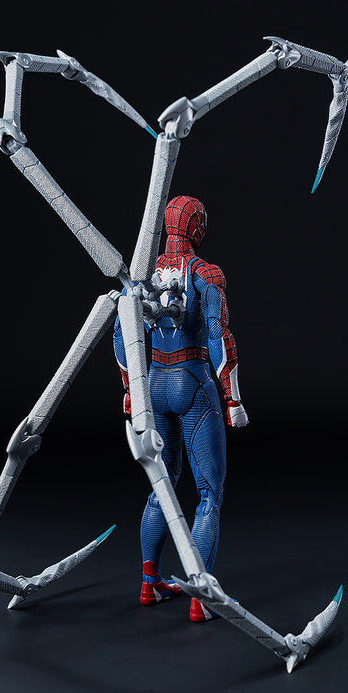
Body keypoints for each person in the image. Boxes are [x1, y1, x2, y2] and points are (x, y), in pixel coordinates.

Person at [113, 195, 248, 622]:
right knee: (209, 495)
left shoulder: (142, 276)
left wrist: (131, 390)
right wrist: (233, 398)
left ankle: (149, 583)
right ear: (195, 227)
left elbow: (121, 333)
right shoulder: (205, 274)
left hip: (155, 384)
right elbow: (219, 337)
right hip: (192, 383)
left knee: (162, 485)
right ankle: (200, 598)